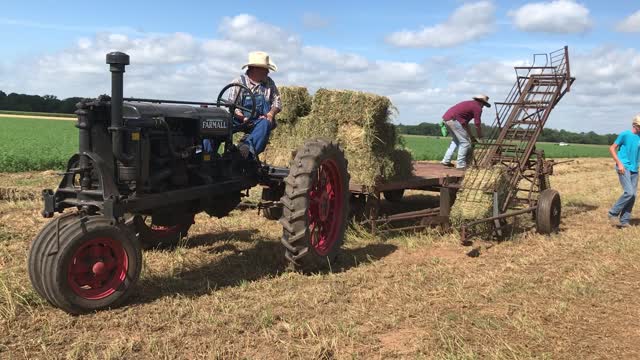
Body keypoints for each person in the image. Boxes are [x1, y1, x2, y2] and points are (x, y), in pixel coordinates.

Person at [229, 51, 282, 159]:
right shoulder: (239, 82)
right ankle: (206, 155)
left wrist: (271, 114)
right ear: (254, 69)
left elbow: (277, 102)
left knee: (265, 123)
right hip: (239, 118)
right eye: (265, 69)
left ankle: (245, 152)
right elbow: (232, 105)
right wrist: (243, 117)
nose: (268, 72)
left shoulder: (269, 83)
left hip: (258, 120)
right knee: (216, 126)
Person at [440, 95, 491, 170]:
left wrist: (471, 137)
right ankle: (460, 165)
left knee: (456, 140)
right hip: (454, 120)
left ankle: (446, 161)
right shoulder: (477, 108)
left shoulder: (469, 104)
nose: (483, 107)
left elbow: (465, 125)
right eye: (484, 104)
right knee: (465, 143)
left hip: (447, 119)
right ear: (481, 102)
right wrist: (480, 136)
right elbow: (477, 124)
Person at [607, 114, 640, 228]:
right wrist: (619, 163)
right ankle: (613, 213)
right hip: (623, 167)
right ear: (634, 125)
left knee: (633, 196)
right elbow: (612, 148)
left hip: (635, 169)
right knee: (629, 192)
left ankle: (624, 221)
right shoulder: (625, 134)